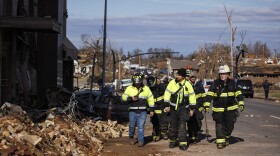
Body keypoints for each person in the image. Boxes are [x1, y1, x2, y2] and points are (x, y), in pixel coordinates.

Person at [204, 65, 244, 149]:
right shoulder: (215, 83)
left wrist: (241, 103)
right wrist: (207, 105)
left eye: (224, 74)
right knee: (220, 125)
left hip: (231, 109)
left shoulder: (233, 83)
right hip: (218, 109)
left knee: (230, 125)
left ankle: (226, 137)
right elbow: (209, 95)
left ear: (228, 74)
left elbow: (238, 93)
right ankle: (220, 142)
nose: (222, 75)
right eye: (221, 74)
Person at [163, 68, 196, 151]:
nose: (177, 76)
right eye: (177, 74)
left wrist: (192, 109)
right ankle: (173, 141)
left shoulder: (188, 85)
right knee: (173, 126)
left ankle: (182, 143)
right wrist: (166, 105)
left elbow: (192, 97)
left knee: (182, 126)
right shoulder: (172, 83)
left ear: (183, 76)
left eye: (179, 75)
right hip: (173, 109)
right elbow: (167, 94)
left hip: (183, 109)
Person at [122, 72, 155, 147]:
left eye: (138, 82)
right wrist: (131, 98)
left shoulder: (146, 89)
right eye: (136, 82)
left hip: (143, 111)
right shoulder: (129, 88)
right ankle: (131, 137)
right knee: (132, 126)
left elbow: (151, 99)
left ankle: (141, 141)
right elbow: (123, 97)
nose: (137, 84)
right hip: (132, 110)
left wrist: (152, 110)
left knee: (141, 126)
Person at [146, 76, 169, 141]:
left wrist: (167, 106)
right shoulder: (148, 90)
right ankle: (156, 134)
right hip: (153, 108)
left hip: (162, 106)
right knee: (155, 122)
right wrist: (149, 109)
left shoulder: (162, 87)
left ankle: (164, 133)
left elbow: (167, 96)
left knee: (164, 121)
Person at [187, 75, 206, 144]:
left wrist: (204, 105)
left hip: (198, 107)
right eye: (191, 78)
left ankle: (195, 135)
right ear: (190, 79)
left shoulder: (199, 85)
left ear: (195, 78)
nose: (193, 79)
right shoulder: (187, 85)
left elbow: (203, 95)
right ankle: (191, 136)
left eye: (194, 78)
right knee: (190, 122)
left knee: (197, 122)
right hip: (190, 108)